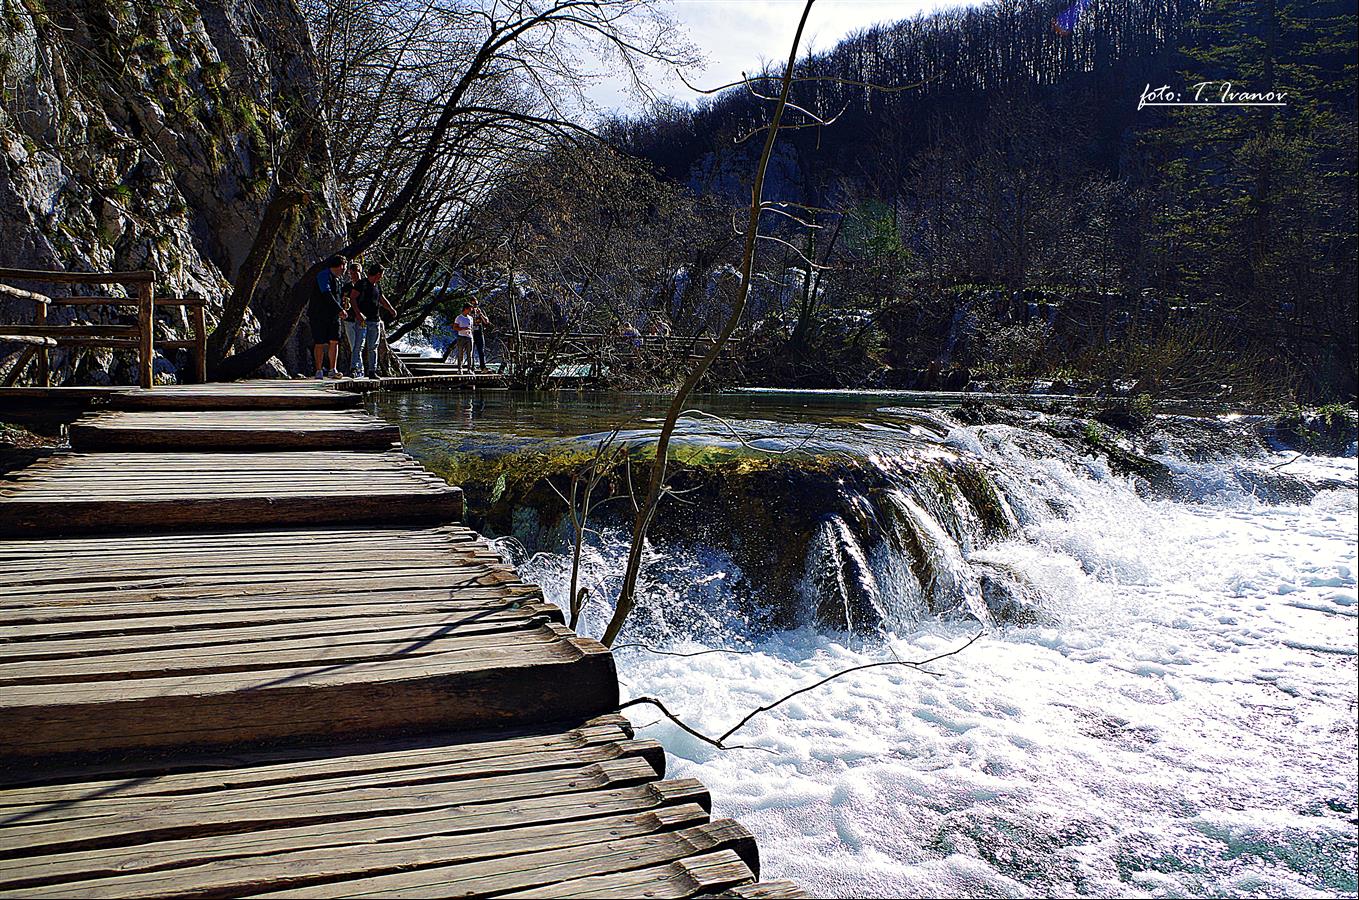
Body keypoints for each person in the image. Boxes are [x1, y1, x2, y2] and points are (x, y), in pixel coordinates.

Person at [353, 264, 397, 378]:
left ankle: (372, 371)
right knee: (359, 345)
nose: (382, 276)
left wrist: (391, 309)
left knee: (373, 347)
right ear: (378, 274)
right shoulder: (361, 284)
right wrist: (358, 314)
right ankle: (355, 369)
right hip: (362, 319)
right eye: (381, 274)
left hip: (375, 320)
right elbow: (352, 298)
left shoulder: (377, 286)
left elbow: (381, 299)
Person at [310, 255, 347, 378]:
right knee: (319, 341)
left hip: (333, 316)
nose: (345, 270)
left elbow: (337, 295)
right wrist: (339, 309)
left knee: (334, 340)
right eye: (344, 267)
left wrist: (342, 305)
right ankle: (319, 370)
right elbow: (326, 293)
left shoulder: (338, 279)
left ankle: (333, 369)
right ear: (341, 265)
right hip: (319, 314)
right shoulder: (323, 275)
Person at [342, 263, 364, 375]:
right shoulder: (347, 287)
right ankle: (358, 369)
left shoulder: (366, 286)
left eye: (356, 273)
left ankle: (357, 369)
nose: (354, 275)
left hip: (362, 320)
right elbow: (342, 300)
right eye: (352, 273)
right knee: (353, 345)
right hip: (349, 320)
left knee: (359, 345)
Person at [451, 302, 475, 373]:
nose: (471, 310)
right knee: (460, 353)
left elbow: (471, 327)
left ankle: (469, 369)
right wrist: (463, 328)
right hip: (461, 337)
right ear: (465, 309)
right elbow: (454, 327)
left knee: (469, 354)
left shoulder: (471, 318)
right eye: (470, 309)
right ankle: (460, 369)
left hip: (469, 337)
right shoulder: (459, 317)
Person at [469, 299, 491, 372]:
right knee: (470, 351)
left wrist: (480, 314)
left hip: (479, 333)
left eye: (476, 304)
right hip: (471, 333)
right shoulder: (468, 312)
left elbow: (486, 322)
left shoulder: (481, 311)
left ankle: (483, 367)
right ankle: (471, 367)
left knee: (481, 351)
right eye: (474, 305)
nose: (475, 306)